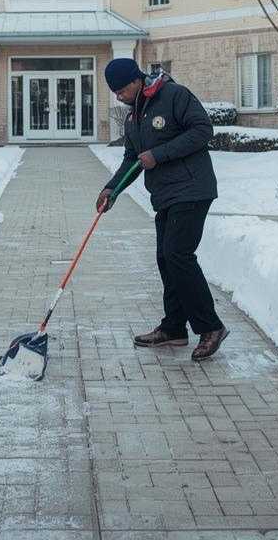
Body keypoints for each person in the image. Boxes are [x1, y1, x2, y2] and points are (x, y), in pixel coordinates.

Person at [96, 58, 228, 361]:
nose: (118, 96)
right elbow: (132, 158)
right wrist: (111, 189)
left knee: (178, 255)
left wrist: (159, 154)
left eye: (120, 90)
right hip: (167, 195)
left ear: (135, 81)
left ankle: (211, 327)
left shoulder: (174, 95)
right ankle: (174, 328)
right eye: (114, 92)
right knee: (165, 258)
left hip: (193, 188)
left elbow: (202, 130)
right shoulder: (134, 116)